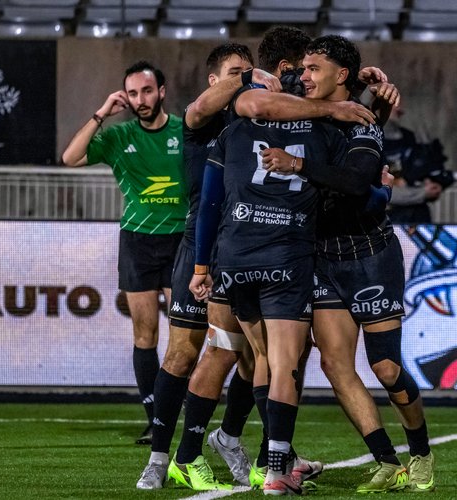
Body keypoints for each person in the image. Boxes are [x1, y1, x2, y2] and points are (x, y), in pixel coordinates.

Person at [184, 26, 377, 495]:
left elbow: (211, 199)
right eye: (304, 68)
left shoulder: (238, 118)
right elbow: (357, 183)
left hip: (231, 253)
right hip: (285, 254)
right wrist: (351, 108)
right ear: (289, 69)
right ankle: (271, 468)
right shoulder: (322, 125)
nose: (308, 76)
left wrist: (203, 266)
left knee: (255, 357)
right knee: (279, 360)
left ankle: (227, 448)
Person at [265, 35, 436, 493]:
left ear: (338, 75)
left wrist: (297, 165)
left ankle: (420, 452)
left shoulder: (363, 123)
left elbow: (359, 182)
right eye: (302, 68)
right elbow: (264, 82)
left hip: (370, 257)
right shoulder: (304, 111)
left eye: (313, 69)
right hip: (324, 257)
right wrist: (360, 77)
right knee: (335, 363)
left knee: (386, 368)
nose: (304, 77)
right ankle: (387, 461)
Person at [136, 43, 272, 491]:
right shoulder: (200, 121)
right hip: (200, 246)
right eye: (235, 72)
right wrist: (249, 78)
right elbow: (197, 108)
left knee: (248, 356)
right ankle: (159, 459)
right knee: (182, 354)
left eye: (250, 70)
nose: (247, 77)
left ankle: (221, 441)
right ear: (215, 80)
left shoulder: (253, 120)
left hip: (242, 248)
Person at [61, 61, 187, 444]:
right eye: (132, 93)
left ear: (161, 91)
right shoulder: (119, 136)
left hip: (181, 240)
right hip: (137, 242)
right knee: (145, 333)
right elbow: (70, 158)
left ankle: (177, 410)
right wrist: (101, 113)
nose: (140, 99)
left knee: (183, 336)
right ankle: (156, 419)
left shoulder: (185, 130)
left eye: (146, 91)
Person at [383, 106, 453, 224]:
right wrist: (421, 193)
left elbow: (433, 181)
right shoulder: (367, 141)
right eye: (394, 104)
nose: (400, 110)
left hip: (416, 217)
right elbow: (379, 191)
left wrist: (430, 182)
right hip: (385, 219)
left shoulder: (410, 138)